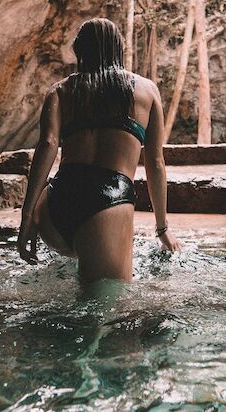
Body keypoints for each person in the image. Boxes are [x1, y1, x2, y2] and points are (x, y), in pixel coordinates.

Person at [16, 18, 181, 282]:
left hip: (54, 207)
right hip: (107, 203)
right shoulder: (147, 91)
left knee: (80, 262)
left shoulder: (59, 91)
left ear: (80, 51)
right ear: (119, 49)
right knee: (103, 313)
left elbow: (47, 146)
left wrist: (27, 218)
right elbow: (156, 162)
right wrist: (162, 229)